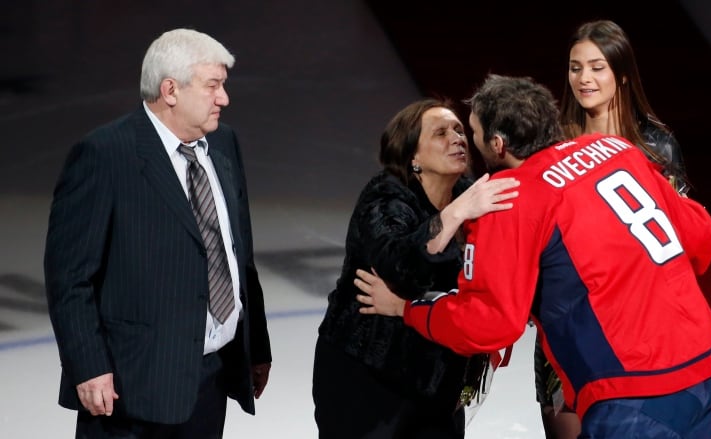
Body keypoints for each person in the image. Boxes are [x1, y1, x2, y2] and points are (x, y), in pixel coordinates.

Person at [355, 74, 711, 438]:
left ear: (498, 145)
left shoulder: (507, 196)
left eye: (473, 132)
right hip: (705, 365)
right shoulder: (618, 149)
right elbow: (701, 238)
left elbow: (491, 324)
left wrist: (408, 310)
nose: (470, 143)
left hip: (634, 391)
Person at [44, 28, 272, 438]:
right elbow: (70, 276)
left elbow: (238, 254)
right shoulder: (106, 154)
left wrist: (257, 347)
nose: (224, 98)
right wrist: (89, 365)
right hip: (132, 387)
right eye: (213, 86)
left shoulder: (223, 144)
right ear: (170, 89)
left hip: (212, 376)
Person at [312, 98, 519, 438]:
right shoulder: (386, 197)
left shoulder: (469, 194)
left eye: (458, 129)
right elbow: (402, 270)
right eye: (440, 133)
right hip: (368, 378)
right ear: (413, 157)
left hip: (439, 378)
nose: (457, 137)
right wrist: (454, 215)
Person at [535, 18, 693, 438]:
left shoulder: (655, 147)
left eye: (596, 67)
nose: (584, 78)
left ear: (622, 74)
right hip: (570, 320)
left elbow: (683, 239)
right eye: (575, 67)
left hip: (643, 326)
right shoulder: (551, 145)